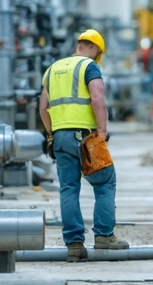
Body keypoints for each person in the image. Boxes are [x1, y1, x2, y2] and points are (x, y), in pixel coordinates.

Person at [38, 29, 129, 260]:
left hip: (60, 137)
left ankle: (74, 245)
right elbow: (97, 99)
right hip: (87, 137)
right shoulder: (89, 66)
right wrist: (102, 132)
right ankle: (104, 236)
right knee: (105, 183)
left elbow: (42, 107)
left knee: (68, 188)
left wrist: (51, 134)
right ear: (95, 48)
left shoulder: (52, 69)